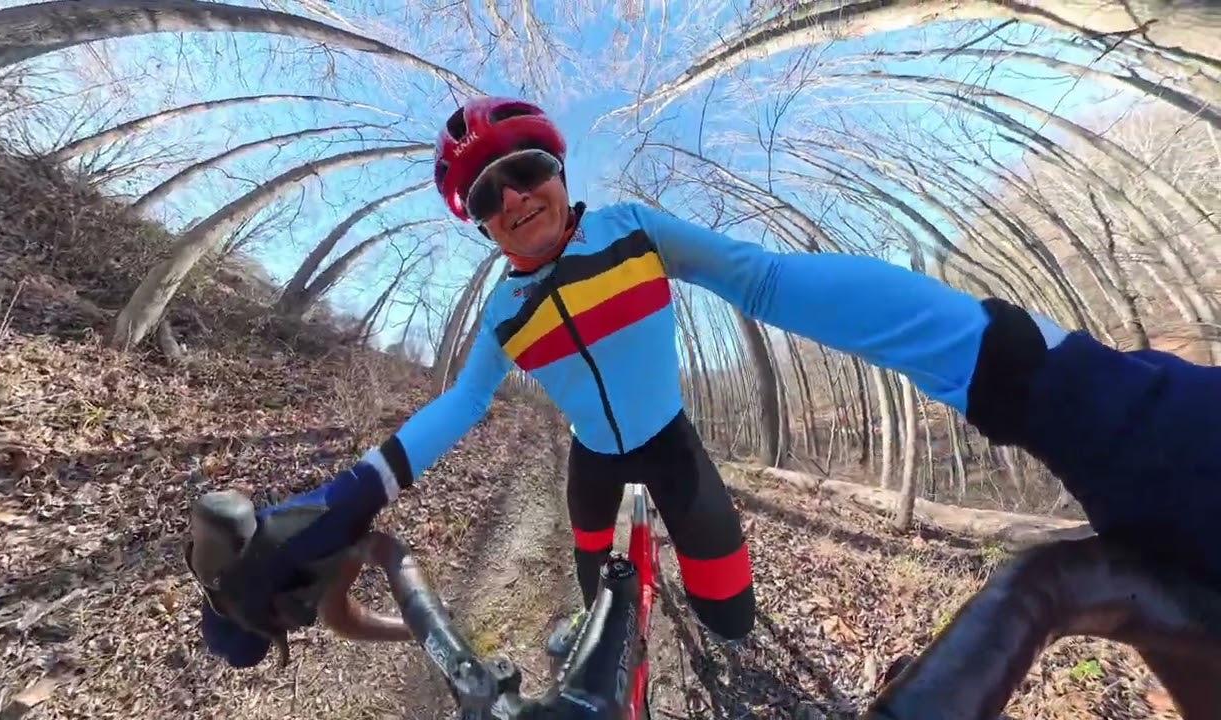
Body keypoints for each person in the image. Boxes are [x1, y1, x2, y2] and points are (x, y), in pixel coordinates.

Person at [188, 96, 1221, 669]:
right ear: (474, 215)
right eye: (486, 190)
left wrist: (1013, 367)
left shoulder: (631, 231)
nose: (513, 197)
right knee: (594, 594)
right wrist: (346, 496)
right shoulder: (505, 311)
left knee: (728, 600)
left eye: (527, 169)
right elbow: (461, 404)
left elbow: (761, 279)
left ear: (559, 174)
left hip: (673, 443)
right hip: (595, 460)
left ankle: (731, 658)